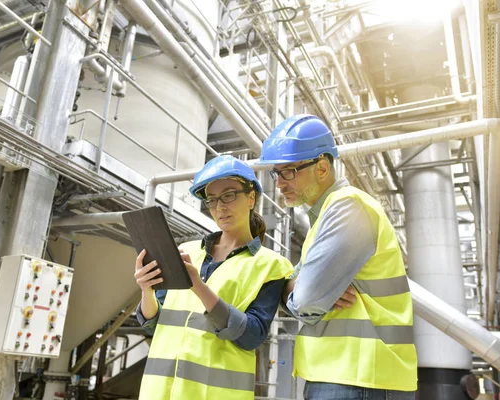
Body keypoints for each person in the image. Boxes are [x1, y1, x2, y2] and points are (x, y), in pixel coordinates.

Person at [258, 114, 418, 399]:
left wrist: (299, 290)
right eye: (276, 173)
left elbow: (306, 299)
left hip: (358, 375)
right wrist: (295, 288)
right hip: (345, 374)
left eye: (289, 172)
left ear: (321, 167)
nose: (279, 183)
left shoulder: (348, 208)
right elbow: (301, 291)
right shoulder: (326, 215)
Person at [133, 155, 294, 399]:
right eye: (212, 200)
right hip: (159, 392)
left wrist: (198, 286)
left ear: (251, 199)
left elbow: (252, 336)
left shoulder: (271, 265)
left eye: (229, 195)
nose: (220, 207)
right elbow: (154, 324)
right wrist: (146, 289)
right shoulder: (186, 251)